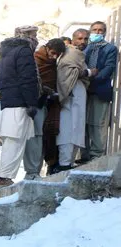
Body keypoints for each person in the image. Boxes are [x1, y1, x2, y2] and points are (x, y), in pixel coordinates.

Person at [0, 25, 39, 187]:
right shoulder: (23, 51)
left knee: (12, 141)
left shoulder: (6, 52)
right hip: (19, 102)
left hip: (9, 101)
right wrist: (32, 102)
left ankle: (5, 176)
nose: (36, 39)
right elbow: (28, 79)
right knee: (15, 140)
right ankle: (4, 177)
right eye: (33, 35)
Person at [24, 39, 66, 179]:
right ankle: (32, 171)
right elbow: (30, 82)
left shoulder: (54, 64)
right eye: (53, 53)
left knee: (43, 138)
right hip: (35, 104)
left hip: (48, 105)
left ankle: (37, 170)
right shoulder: (36, 60)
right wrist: (45, 90)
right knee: (34, 137)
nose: (54, 57)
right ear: (47, 48)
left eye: (57, 55)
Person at [56, 29, 92, 170]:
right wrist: (89, 72)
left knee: (76, 128)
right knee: (68, 130)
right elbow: (68, 73)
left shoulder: (78, 54)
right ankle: (64, 163)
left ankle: (68, 162)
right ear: (73, 39)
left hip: (77, 94)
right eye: (79, 38)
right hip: (69, 95)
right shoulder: (71, 53)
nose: (83, 42)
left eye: (85, 39)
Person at [84, 21, 118, 161]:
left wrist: (91, 79)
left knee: (98, 123)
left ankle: (96, 156)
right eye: (95, 30)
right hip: (84, 90)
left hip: (99, 90)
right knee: (83, 123)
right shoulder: (86, 48)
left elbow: (108, 69)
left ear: (104, 32)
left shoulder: (110, 49)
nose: (97, 32)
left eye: (100, 30)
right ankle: (84, 155)